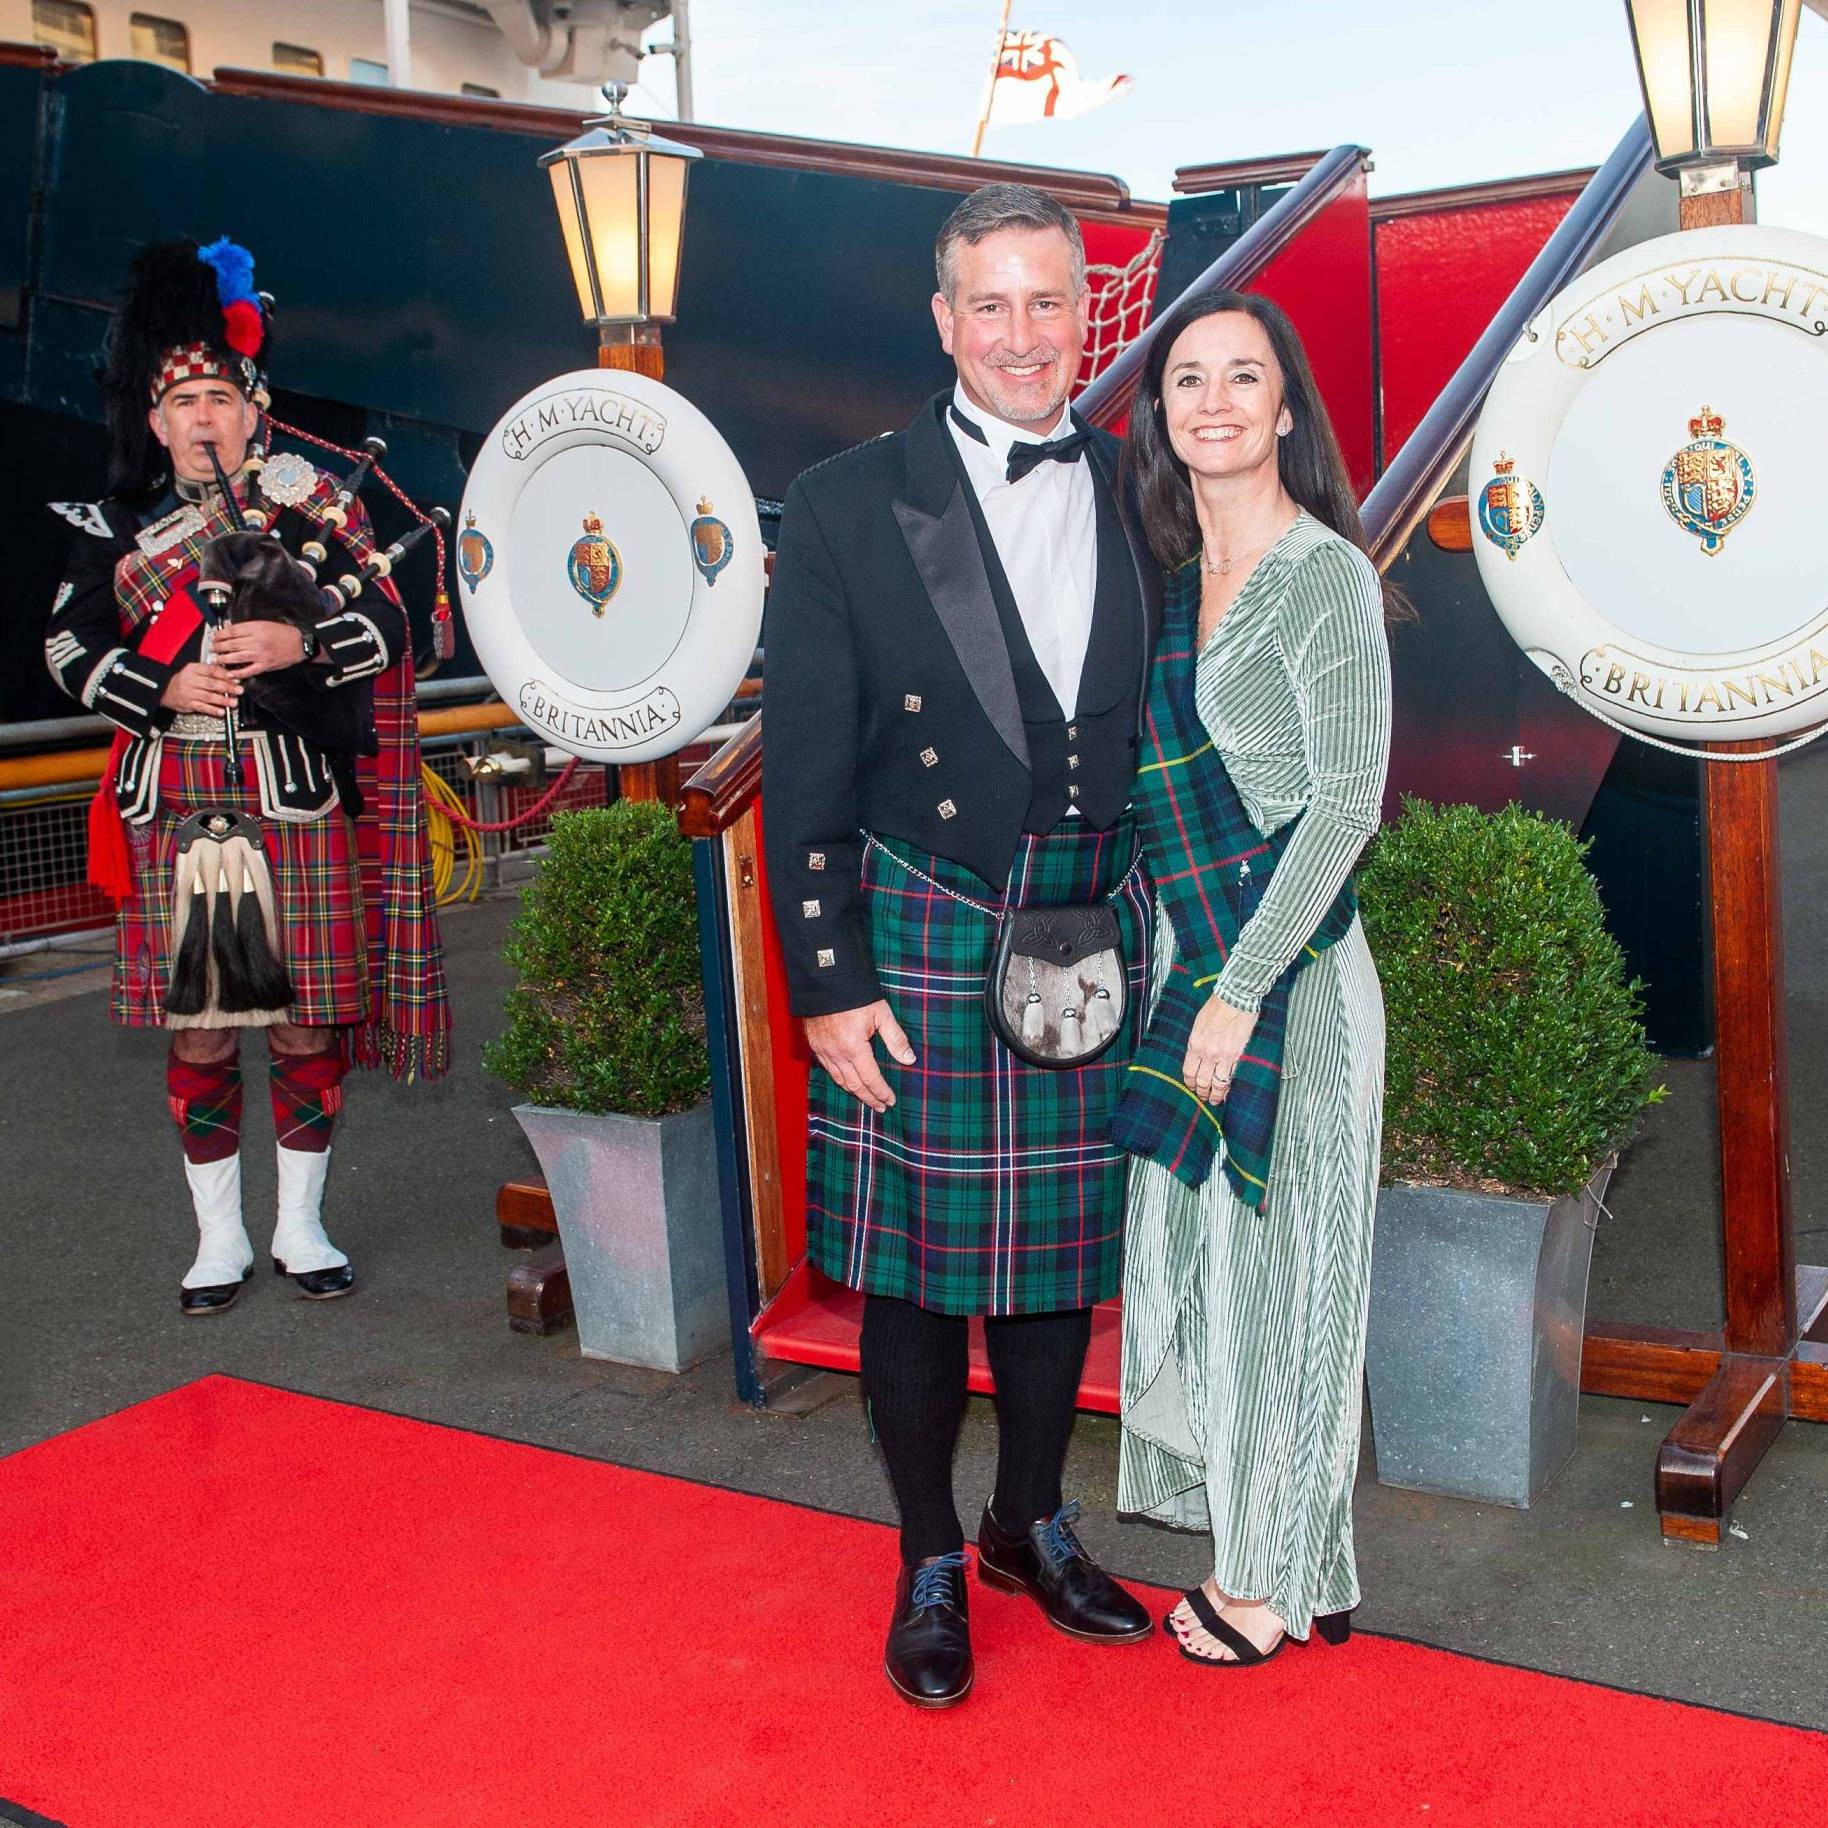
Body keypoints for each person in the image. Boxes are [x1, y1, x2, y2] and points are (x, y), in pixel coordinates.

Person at [762, 183, 1159, 1707]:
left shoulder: (1141, 489)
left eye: (1045, 301)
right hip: (928, 923)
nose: (1019, 334)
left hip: (1092, 923)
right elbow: (804, 767)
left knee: (1058, 1267)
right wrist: (827, 978)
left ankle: (1029, 1521)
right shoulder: (853, 501)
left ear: (1086, 314)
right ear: (942, 321)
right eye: (986, 304)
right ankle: (930, 1549)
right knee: (923, 1277)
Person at [43, 237, 451, 1316]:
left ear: (251, 405)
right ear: (155, 420)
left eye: (218, 395)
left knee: (310, 1020)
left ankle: (301, 1224)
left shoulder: (313, 502)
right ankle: (217, 1238)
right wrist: (162, 689)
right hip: (176, 811)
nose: (202, 418)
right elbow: (68, 653)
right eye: (181, 403)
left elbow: (394, 619)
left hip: (295, 803)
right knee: (204, 1028)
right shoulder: (115, 531)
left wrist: (300, 646)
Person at [1111, 288, 1392, 1667]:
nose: (1214, 401)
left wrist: (1239, 991)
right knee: (1210, 1270)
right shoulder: (1168, 586)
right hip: (1189, 967)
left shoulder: (1324, 574)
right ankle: (1285, 1543)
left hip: (1294, 982)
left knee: (1296, 1278)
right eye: (1187, 381)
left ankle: (1271, 1579)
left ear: (1288, 409)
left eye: (1243, 378)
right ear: (1162, 418)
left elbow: (1345, 805)